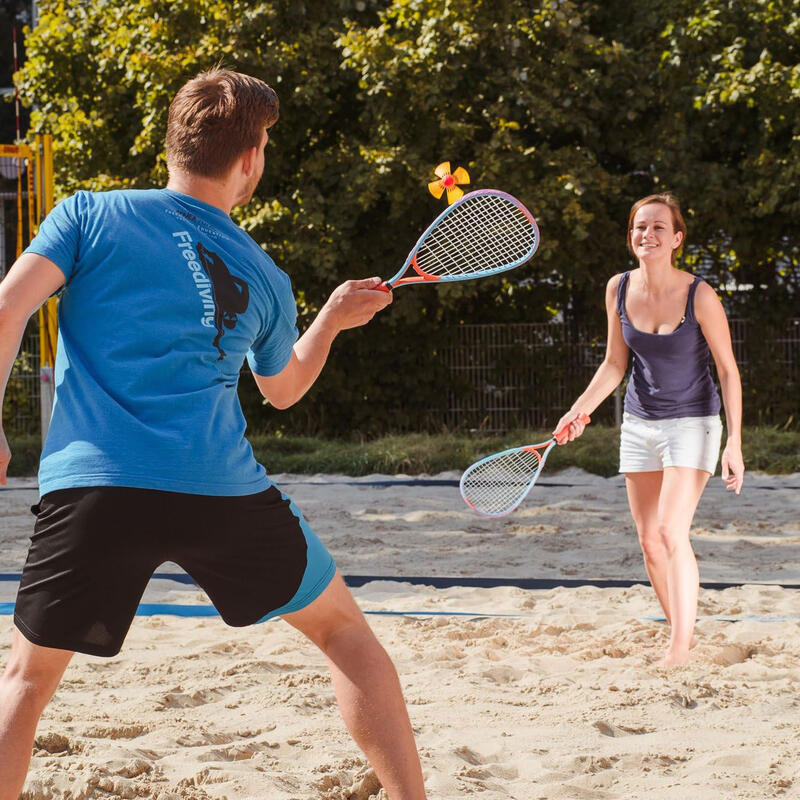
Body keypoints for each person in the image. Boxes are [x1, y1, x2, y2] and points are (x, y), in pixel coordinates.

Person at [0, 69, 427, 799]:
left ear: (172, 142)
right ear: (251, 159)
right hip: (220, 490)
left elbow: (5, 311)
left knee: (26, 681)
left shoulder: (88, 215)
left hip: (97, 489)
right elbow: (283, 391)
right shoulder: (263, 274)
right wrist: (329, 322)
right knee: (347, 638)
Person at [554, 193, 745, 667]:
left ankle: (678, 649)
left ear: (677, 238)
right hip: (639, 423)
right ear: (631, 236)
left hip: (694, 422)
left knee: (670, 531)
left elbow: (728, 370)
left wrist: (735, 442)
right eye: (641, 227)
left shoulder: (700, 294)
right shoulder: (618, 288)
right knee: (648, 541)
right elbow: (614, 364)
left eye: (659, 227)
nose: (648, 234)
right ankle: (683, 633)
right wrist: (579, 409)